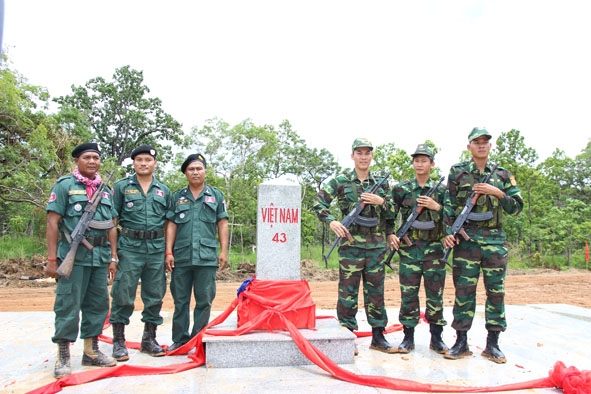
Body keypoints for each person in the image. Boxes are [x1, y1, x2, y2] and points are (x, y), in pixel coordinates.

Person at [442, 127, 523, 364]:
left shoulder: (503, 175)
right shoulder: (458, 172)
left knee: (495, 293)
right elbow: (448, 206)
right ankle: (461, 341)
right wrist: (449, 232)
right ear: (469, 147)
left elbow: (516, 207)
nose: (481, 145)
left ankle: (493, 344)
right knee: (464, 293)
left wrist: (497, 192)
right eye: (476, 142)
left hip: (494, 241)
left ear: (489, 146)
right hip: (466, 241)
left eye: (485, 142)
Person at [312, 138, 397, 354]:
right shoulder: (341, 181)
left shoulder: (381, 183)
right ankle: (347, 337)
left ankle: (378, 336)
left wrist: (382, 202)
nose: (363, 157)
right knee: (348, 293)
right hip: (351, 246)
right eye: (359, 153)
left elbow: (392, 214)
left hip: (377, 247)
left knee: (376, 292)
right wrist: (331, 220)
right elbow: (318, 201)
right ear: (352, 156)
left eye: (367, 153)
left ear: (372, 156)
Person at [45, 142, 118, 378]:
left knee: (97, 305)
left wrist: (113, 256)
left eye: (96, 157)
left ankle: (91, 351)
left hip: (99, 257)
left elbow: (112, 226)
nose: (92, 161)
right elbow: (52, 222)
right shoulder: (65, 186)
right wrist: (52, 258)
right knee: (67, 305)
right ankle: (64, 354)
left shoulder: (106, 190)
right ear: (76, 160)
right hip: (72, 256)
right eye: (87, 157)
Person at [109, 145, 171, 361]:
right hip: (129, 248)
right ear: (133, 163)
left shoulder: (163, 190)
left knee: (155, 294)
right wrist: (113, 255)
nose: (143, 163)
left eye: (148, 160)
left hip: (156, 249)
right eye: (139, 160)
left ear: (155, 164)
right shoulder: (121, 187)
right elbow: (112, 222)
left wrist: (167, 252)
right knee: (123, 293)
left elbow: (168, 224)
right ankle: (118, 342)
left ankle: (149, 339)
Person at [389, 143, 451, 354]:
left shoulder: (442, 190)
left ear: (432, 164)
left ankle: (436, 338)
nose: (419, 164)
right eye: (416, 160)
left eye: (424, 160)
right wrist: (391, 234)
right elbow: (389, 212)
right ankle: (408, 338)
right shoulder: (402, 189)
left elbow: (453, 217)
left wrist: (437, 207)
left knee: (435, 295)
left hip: (435, 250)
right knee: (409, 294)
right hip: (409, 249)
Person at [165, 153, 229, 352]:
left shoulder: (216, 195)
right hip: (182, 257)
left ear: (205, 172)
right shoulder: (177, 197)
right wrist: (168, 252)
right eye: (191, 169)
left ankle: (198, 339)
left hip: (207, 257)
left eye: (199, 169)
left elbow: (222, 223)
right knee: (180, 301)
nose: (195, 172)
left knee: (204, 300)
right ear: (185, 173)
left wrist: (224, 251)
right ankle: (180, 339)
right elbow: (171, 225)